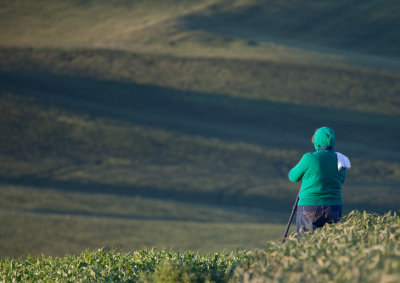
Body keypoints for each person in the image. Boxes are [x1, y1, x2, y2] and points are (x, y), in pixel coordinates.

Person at [288, 126, 351, 233]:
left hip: (309, 207)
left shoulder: (309, 158)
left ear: (317, 142)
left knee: (306, 243)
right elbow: (341, 180)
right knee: (330, 242)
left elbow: (293, 177)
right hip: (334, 207)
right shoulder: (341, 160)